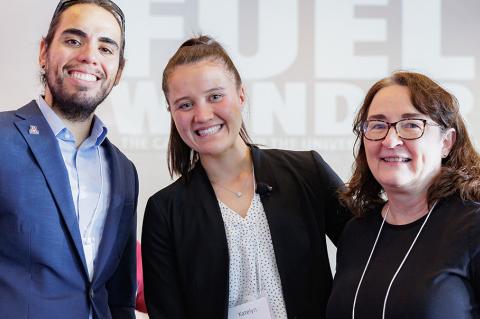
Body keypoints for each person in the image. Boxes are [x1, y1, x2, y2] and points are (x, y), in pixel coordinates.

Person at [141, 35, 351, 319]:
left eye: (215, 96)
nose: (202, 115)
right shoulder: (165, 210)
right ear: (172, 113)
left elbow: (371, 248)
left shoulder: (306, 172)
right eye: (185, 104)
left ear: (241, 95)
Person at [0, 1, 138, 318]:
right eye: (73, 40)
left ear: (119, 71)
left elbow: (119, 297)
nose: (89, 56)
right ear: (44, 52)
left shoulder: (124, 172)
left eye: (106, 48)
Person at [326, 71, 480, 318]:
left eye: (411, 125)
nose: (390, 140)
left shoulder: (472, 225)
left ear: (446, 142)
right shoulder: (356, 232)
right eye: (377, 125)